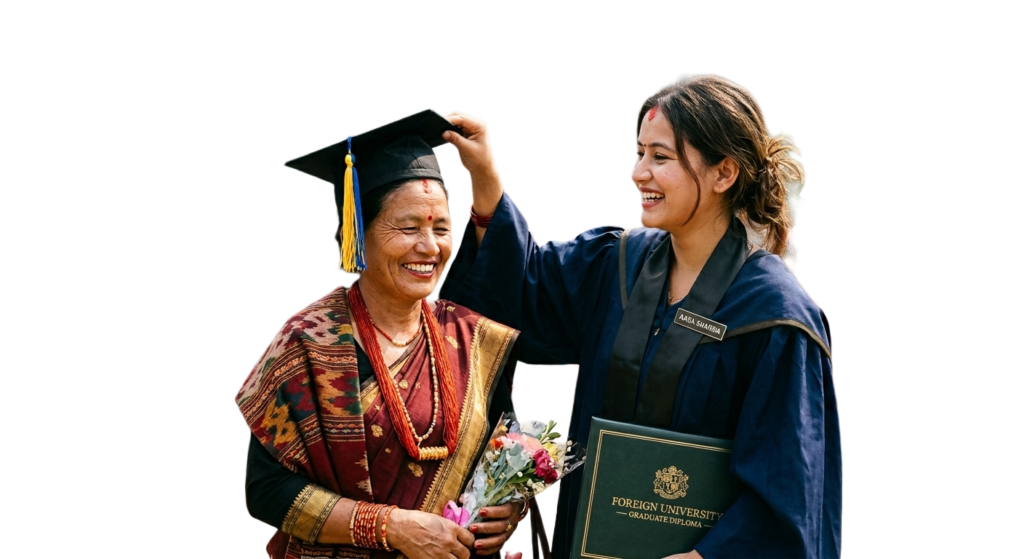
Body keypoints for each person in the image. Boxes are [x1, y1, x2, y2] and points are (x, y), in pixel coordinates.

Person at [438, 73, 841, 558]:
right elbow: (520, 295)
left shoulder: (775, 317)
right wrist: (484, 175)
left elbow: (791, 487)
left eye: (661, 157)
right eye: (640, 152)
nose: (639, 172)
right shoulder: (617, 265)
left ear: (723, 173)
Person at [236, 109, 526, 559]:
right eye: (408, 227)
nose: (429, 247)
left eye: (442, 228)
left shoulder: (470, 336)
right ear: (358, 233)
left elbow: (503, 451)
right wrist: (390, 527)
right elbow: (266, 491)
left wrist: (508, 508)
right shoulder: (307, 342)